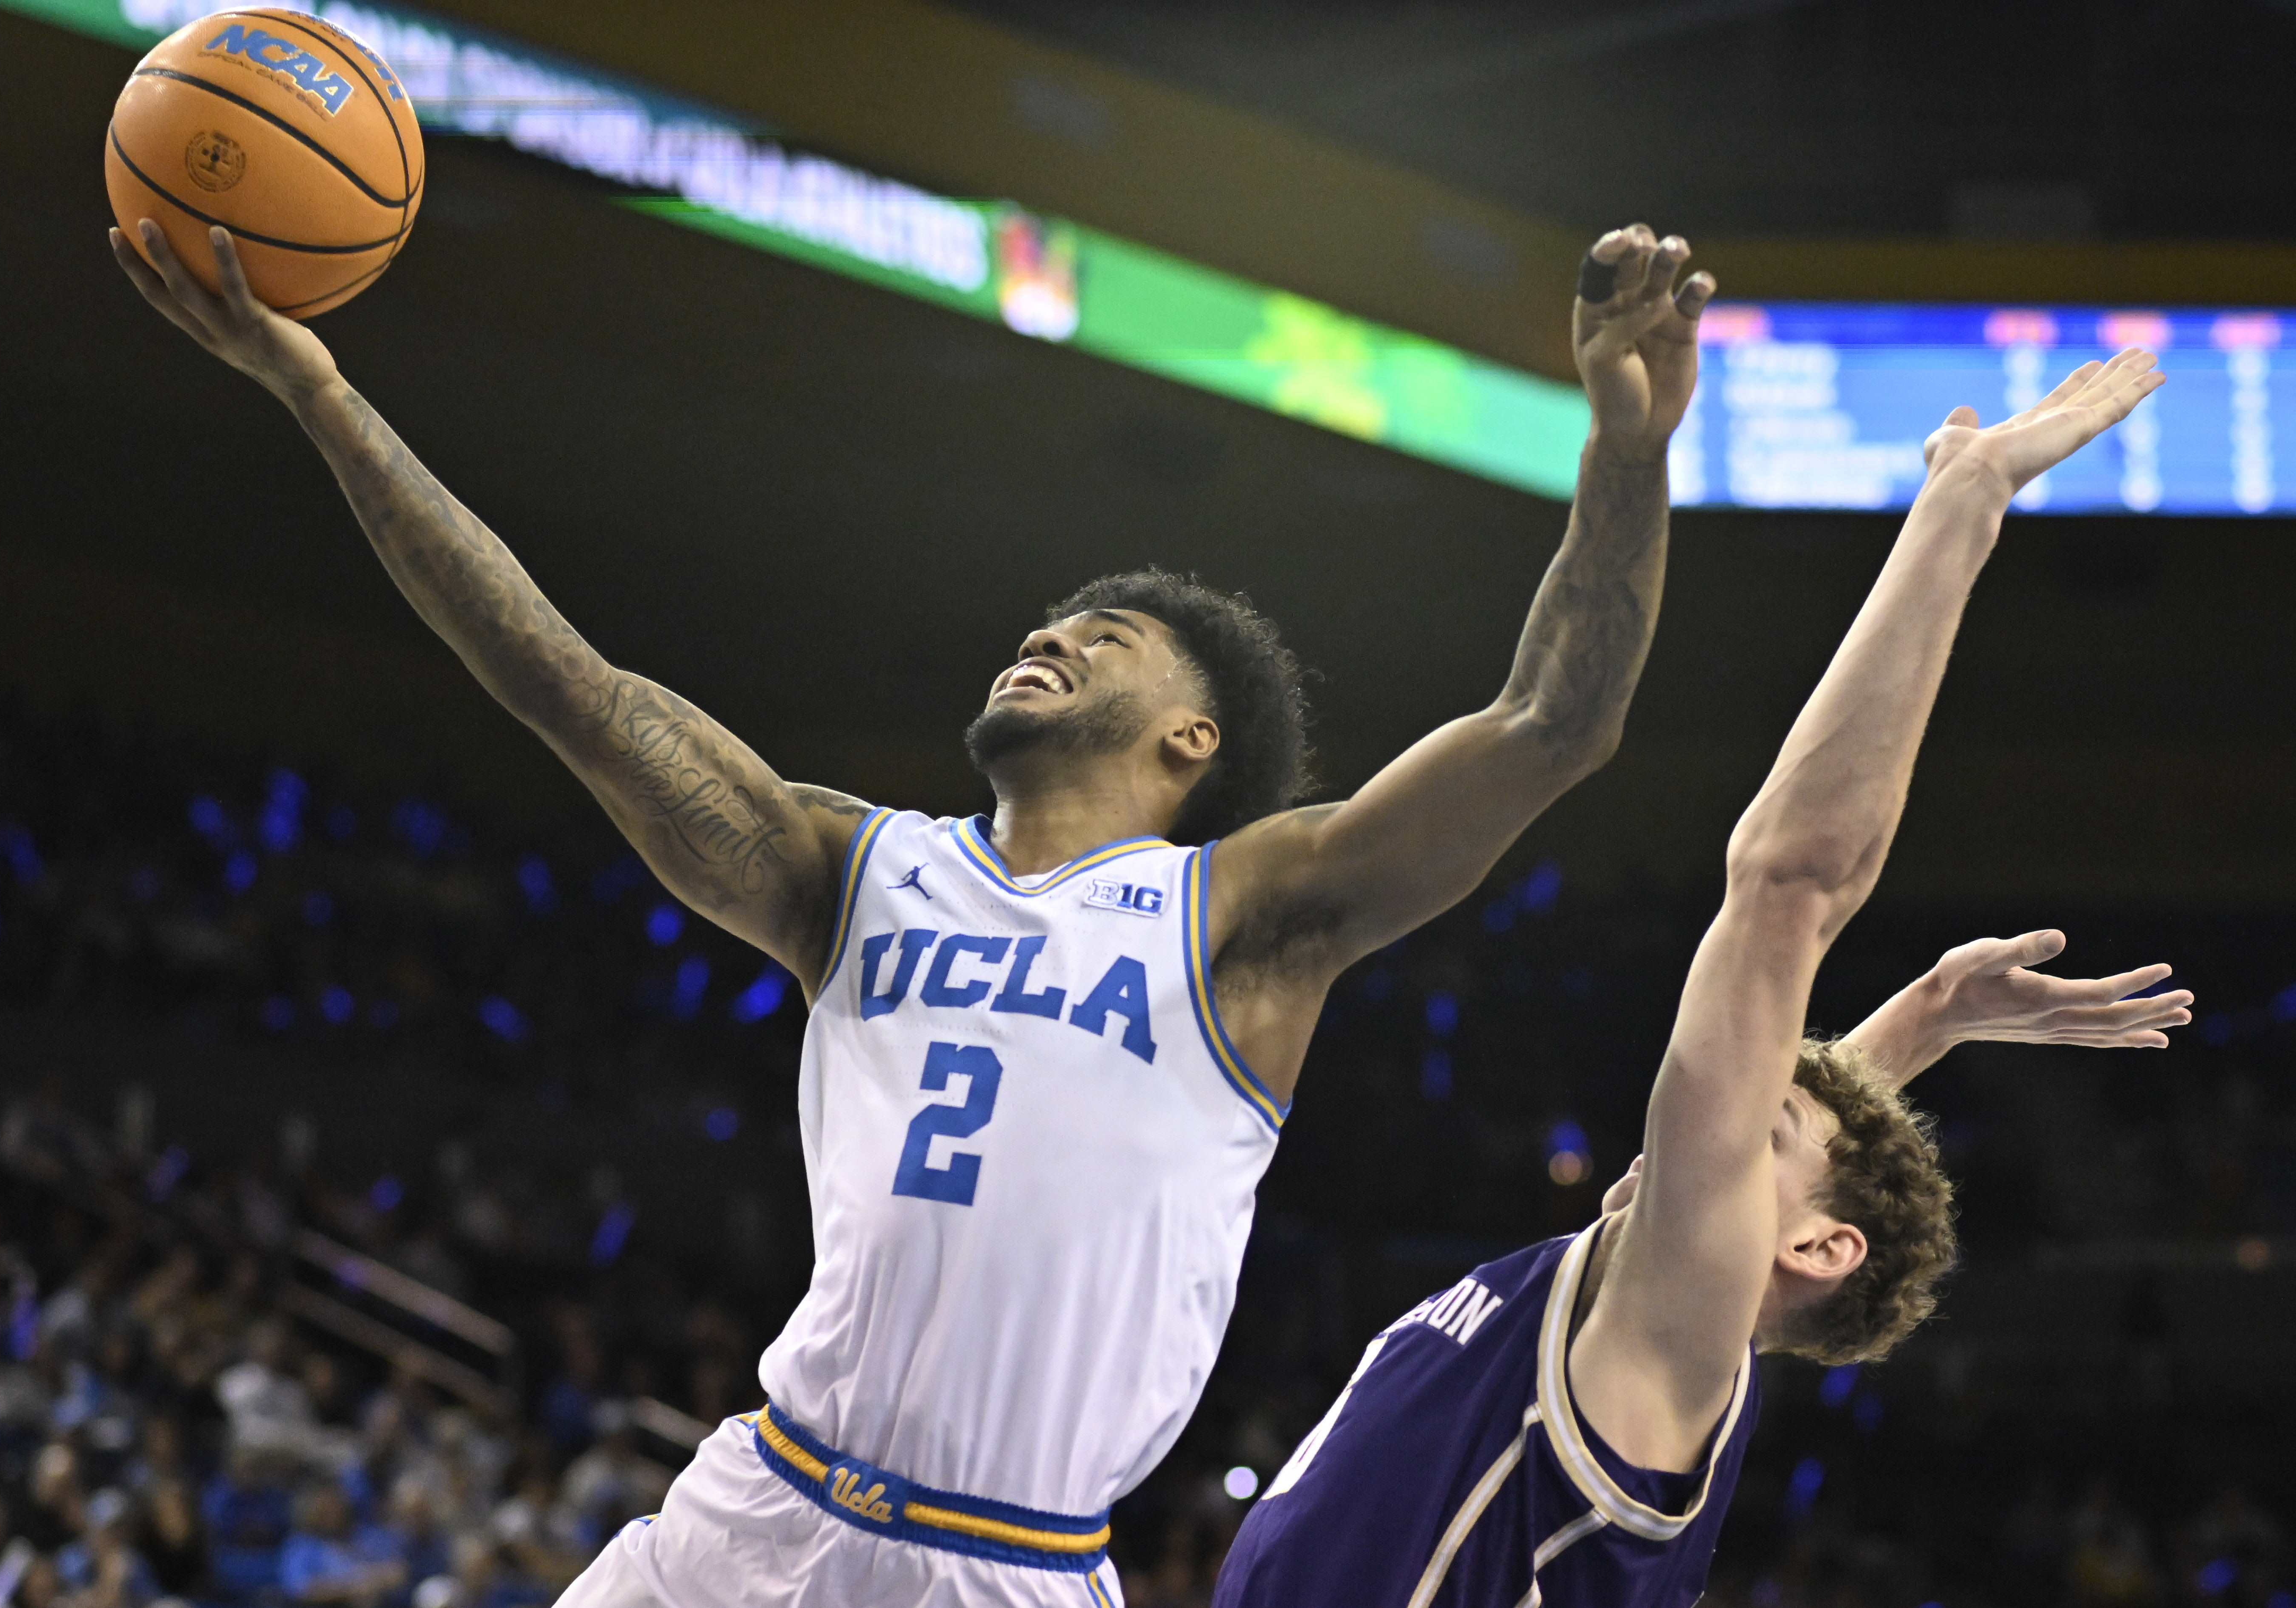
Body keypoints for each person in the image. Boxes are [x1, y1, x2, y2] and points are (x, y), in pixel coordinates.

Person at [116, 208, 1702, 1606]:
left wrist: (1623, 459)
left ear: (1192, 741)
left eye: (1106, 637)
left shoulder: (1245, 914)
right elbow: (570, 690)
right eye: (1047, 620)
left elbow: (1549, 727)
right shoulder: (853, 870)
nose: (1051, 637)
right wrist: (322, 398)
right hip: (746, 1518)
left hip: (997, 1568)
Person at [1211, 349, 2177, 1608]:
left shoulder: (1672, 1334)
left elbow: (1790, 883)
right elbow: (1772, 1150)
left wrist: (1960, 508)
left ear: (1815, 1249)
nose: (1697, 1128)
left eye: (1753, 1130)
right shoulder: (1643, 1287)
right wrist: (1927, 1017)